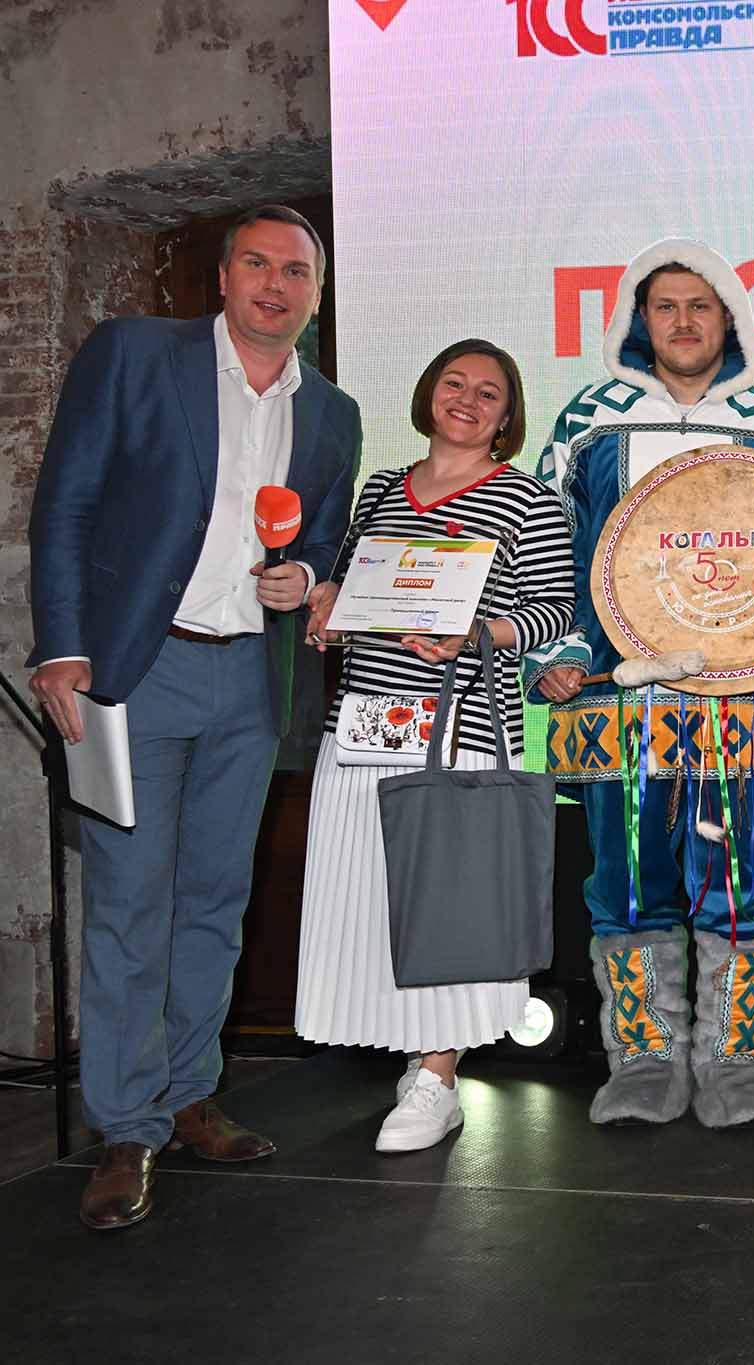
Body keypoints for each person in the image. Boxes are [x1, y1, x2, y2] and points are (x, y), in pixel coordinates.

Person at [27, 205, 361, 1228]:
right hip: (137, 669)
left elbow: (327, 537)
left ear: (315, 294)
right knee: (131, 901)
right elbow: (67, 502)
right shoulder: (135, 355)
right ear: (222, 278)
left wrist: (308, 576)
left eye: (295, 272)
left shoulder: (333, 412)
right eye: (256, 264)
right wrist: (61, 647)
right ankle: (127, 1128)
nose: (274, 284)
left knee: (216, 898)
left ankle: (185, 1094)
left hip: (250, 681)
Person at [524, 239, 754, 1129]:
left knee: (746, 882)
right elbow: (547, 546)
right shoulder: (588, 419)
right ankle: (643, 1063)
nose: (682, 321)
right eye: (665, 305)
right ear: (640, 319)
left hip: (748, 702)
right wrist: (551, 653)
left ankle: (738, 1068)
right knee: (628, 885)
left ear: (730, 320)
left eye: (699, 306)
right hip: (617, 701)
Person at [295, 339, 574, 1152]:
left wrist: (481, 629)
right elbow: (350, 587)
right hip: (361, 727)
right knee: (371, 900)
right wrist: (327, 607)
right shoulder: (382, 488)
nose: (468, 400)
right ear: (428, 394)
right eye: (455, 382)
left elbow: (553, 610)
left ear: (507, 417)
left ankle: (439, 1075)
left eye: (489, 392)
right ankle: (410, 1056)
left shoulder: (528, 500)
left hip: (462, 732)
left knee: (448, 906)